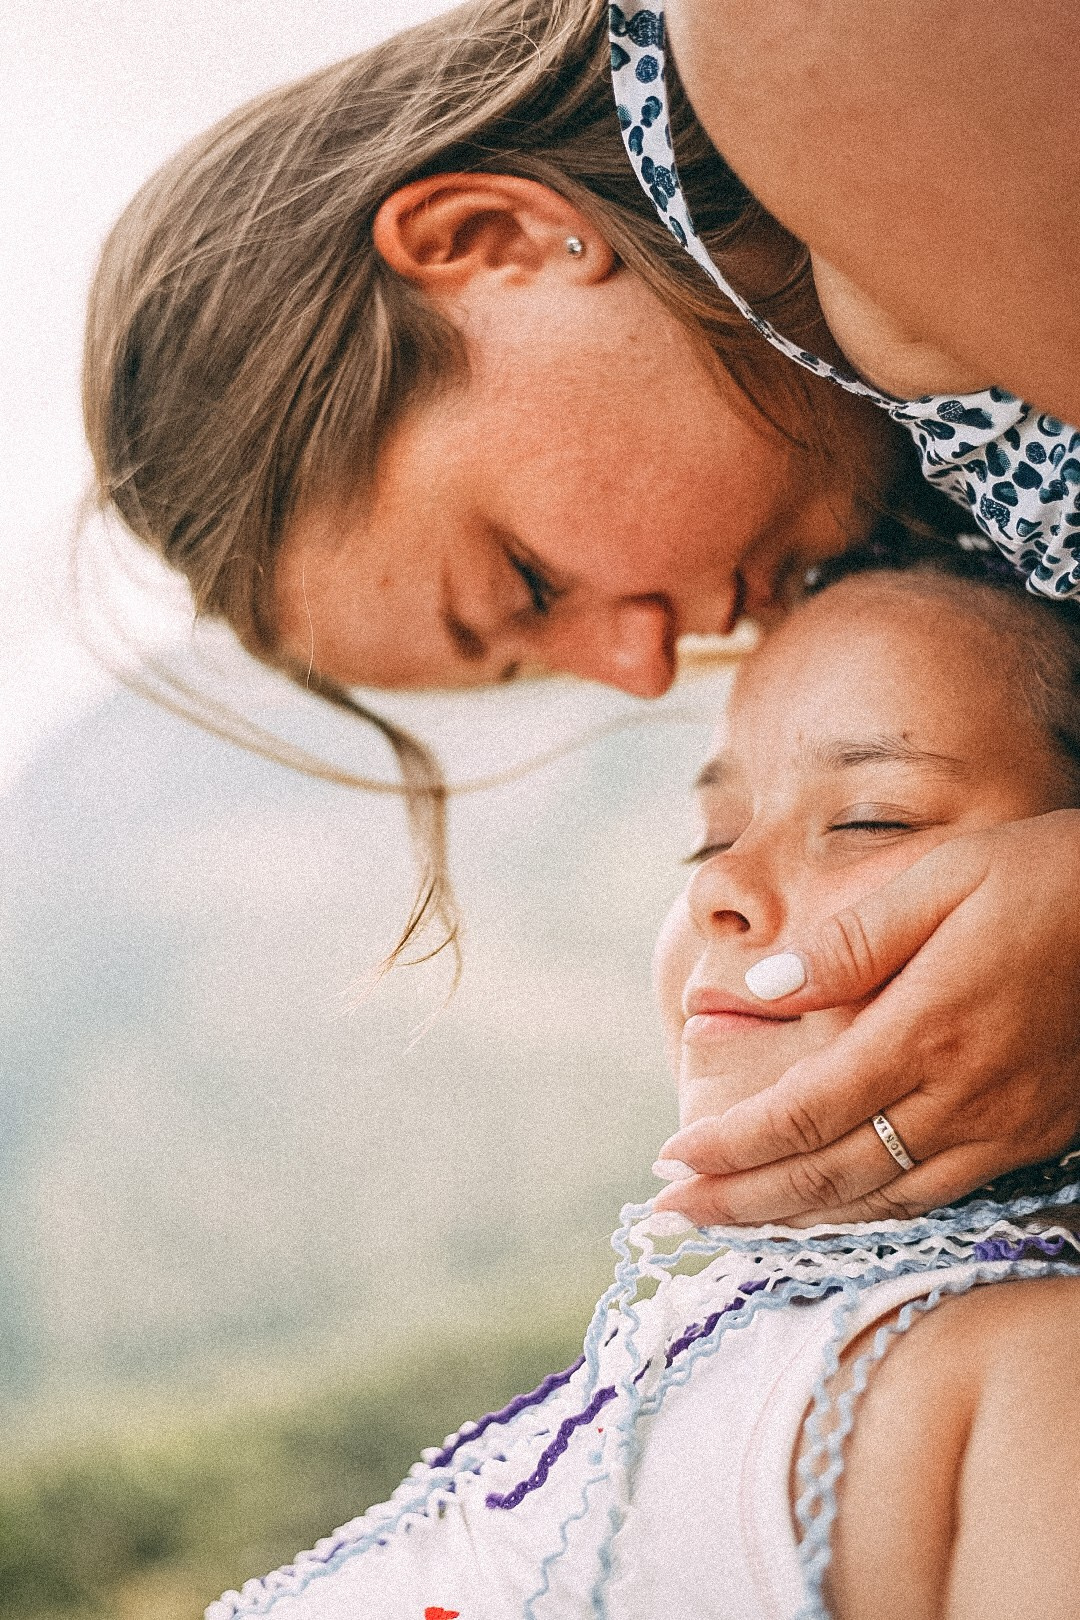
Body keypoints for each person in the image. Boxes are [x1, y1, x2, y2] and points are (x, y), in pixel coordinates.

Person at [81, 0, 1080, 1225]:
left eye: (530, 583)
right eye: (542, 656)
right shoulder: (907, 511)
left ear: (493, 238)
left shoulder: (806, 43)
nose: (645, 664)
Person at [205, 539, 1080, 1620]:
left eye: (869, 820)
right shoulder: (706, 1341)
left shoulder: (1031, 1379)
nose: (720, 882)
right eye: (712, 835)